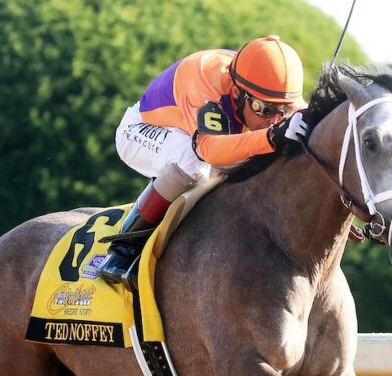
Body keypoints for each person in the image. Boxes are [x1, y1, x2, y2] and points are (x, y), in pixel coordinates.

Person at [98, 35, 310, 286]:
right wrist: (272, 136)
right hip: (140, 131)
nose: (273, 119)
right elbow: (207, 150)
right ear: (236, 92)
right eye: (264, 109)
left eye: (283, 111)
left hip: (200, 140)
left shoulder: (273, 95)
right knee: (192, 160)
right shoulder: (204, 77)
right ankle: (124, 249)